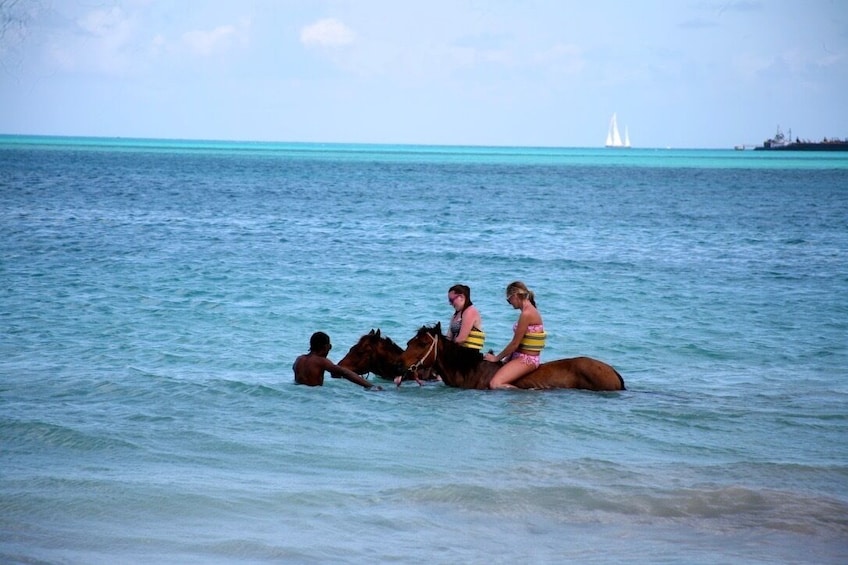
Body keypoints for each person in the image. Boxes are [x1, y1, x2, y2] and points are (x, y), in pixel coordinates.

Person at [483, 281, 546, 389]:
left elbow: (515, 344)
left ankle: (522, 395)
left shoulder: (527, 314)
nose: (510, 303)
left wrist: (496, 358)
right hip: (518, 356)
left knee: (495, 384)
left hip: (527, 360)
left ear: (515, 295)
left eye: (509, 300)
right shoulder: (527, 311)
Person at [293, 331, 382, 390]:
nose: (329, 350)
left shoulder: (298, 360)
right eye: (329, 347)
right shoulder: (321, 361)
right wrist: (371, 386)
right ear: (325, 347)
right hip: (315, 396)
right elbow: (344, 372)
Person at [446, 284, 485, 351]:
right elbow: (448, 337)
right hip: (457, 351)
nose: (450, 304)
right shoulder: (455, 316)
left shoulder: (470, 311)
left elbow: (461, 339)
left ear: (461, 297)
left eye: (452, 300)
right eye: (449, 301)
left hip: (469, 354)